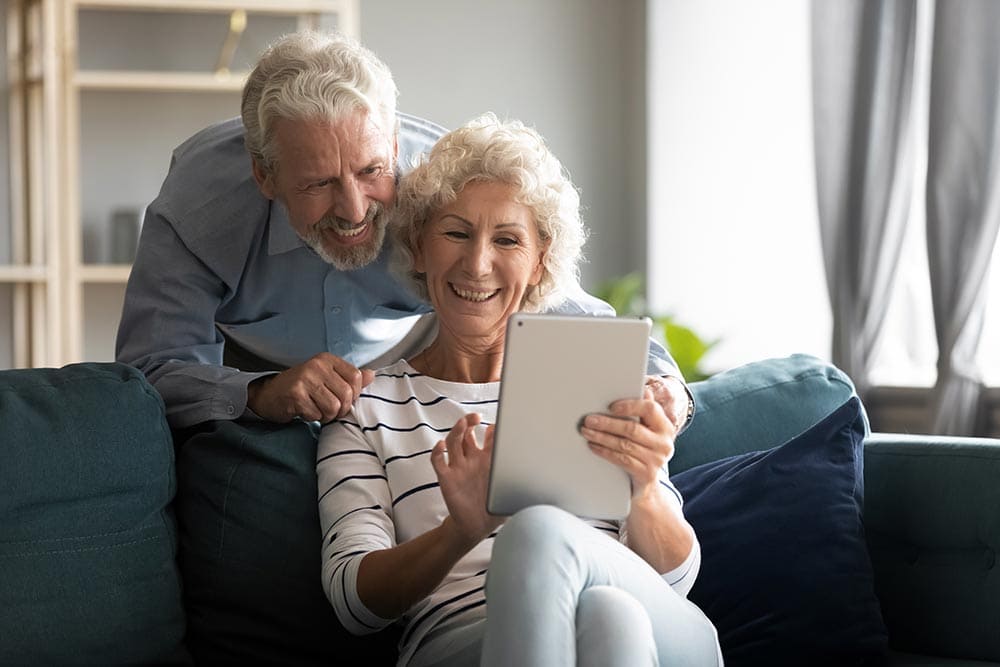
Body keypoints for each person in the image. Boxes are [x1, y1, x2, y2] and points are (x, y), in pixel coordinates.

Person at [115, 30, 692, 431]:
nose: (354, 209)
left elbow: (554, 301)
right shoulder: (198, 209)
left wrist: (663, 383)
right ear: (265, 175)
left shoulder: (442, 185)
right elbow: (150, 375)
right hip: (250, 369)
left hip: (410, 364)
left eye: (372, 171)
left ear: (393, 146)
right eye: (318, 184)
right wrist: (260, 394)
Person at [316, 114, 722, 666]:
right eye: (455, 233)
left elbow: (675, 579)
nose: (477, 264)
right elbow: (353, 604)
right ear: (417, 246)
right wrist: (460, 531)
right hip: (463, 645)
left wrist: (644, 490)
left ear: (538, 261)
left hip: (661, 626)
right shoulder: (366, 408)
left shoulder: (595, 378)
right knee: (609, 619)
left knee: (564, 559)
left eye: (507, 239)